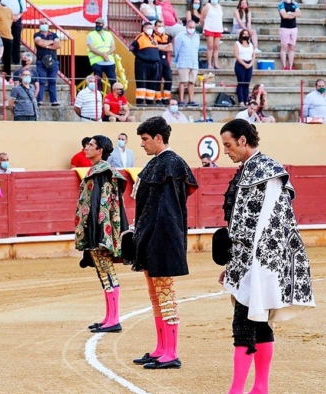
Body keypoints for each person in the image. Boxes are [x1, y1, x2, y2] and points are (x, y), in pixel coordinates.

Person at [216, 119, 314, 394]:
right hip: (245, 261)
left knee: (244, 325)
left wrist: (256, 269)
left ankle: (237, 390)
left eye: (228, 144)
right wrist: (232, 263)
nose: (226, 151)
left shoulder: (268, 172)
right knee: (258, 324)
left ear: (243, 141)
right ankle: (260, 388)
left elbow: (271, 226)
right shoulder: (249, 170)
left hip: (259, 262)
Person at [131, 116, 198, 370]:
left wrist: (157, 240)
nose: (142, 144)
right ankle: (161, 348)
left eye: (145, 139)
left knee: (166, 296)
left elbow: (168, 211)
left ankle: (172, 352)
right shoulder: (159, 163)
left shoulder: (171, 163)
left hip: (161, 239)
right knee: (156, 297)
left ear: (159, 138)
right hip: (151, 238)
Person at [75, 135, 129, 334]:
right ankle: (109, 317)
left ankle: (114, 318)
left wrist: (99, 233)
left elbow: (102, 204)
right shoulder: (100, 171)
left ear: (100, 150)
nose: (87, 147)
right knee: (102, 271)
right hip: (99, 228)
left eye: (91, 145)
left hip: (100, 229)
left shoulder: (102, 172)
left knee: (107, 271)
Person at [130, 22, 160, 106]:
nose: (150, 30)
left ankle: (149, 101)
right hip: (142, 64)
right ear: (144, 29)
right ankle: (140, 102)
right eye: (148, 28)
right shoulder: (140, 37)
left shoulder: (153, 37)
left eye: (151, 28)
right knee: (142, 82)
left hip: (154, 64)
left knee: (152, 83)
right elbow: (131, 48)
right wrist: (140, 56)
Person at [173, 20, 200, 107]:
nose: (191, 29)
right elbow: (176, 49)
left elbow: (196, 49)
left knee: (192, 82)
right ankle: (181, 100)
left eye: (193, 27)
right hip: (183, 62)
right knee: (183, 81)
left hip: (194, 62)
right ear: (186, 27)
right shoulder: (180, 36)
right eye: (190, 27)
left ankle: (191, 100)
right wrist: (178, 60)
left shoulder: (197, 36)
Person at [34, 23, 60, 106]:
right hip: (41, 61)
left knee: (52, 81)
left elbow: (58, 45)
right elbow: (39, 43)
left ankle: (54, 101)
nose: (44, 24)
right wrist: (52, 42)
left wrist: (46, 45)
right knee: (41, 81)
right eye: (42, 23)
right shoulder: (37, 34)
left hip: (53, 61)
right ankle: (39, 101)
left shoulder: (54, 34)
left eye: (45, 23)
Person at [87, 18, 116, 91]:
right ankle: (98, 99)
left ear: (103, 25)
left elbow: (113, 47)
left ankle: (113, 99)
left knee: (113, 81)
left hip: (109, 62)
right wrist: (103, 55)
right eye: (96, 23)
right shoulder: (91, 34)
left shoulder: (109, 34)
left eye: (99, 24)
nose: (97, 25)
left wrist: (106, 54)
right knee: (97, 82)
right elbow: (92, 48)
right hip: (97, 62)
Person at [153, 20, 173, 105]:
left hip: (165, 60)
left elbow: (170, 48)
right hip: (157, 59)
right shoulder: (152, 36)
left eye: (162, 26)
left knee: (169, 78)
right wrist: (165, 46)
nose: (161, 27)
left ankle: (166, 98)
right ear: (155, 27)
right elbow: (154, 47)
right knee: (158, 79)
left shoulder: (166, 37)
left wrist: (160, 46)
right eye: (159, 26)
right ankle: (158, 99)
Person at [234, 29, 255, 106]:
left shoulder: (251, 44)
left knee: (247, 83)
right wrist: (244, 64)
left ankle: (246, 101)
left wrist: (250, 64)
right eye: (244, 34)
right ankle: (241, 101)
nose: (246, 35)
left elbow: (253, 55)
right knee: (241, 83)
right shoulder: (237, 43)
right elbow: (236, 55)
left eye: (247, 34)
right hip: (240, 64)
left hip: (249, 64)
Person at [200, 0, 223, 70]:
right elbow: (201, 18)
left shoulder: (220, 7)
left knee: (216, 47)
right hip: (209, 29)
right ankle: (209, 64)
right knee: (210, 47)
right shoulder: (207, 6)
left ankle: (215, 63)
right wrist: (204, 27)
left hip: (218, 29)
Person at [278, 0, 300, 70]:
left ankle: (290, 66)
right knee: (284, 47)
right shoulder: (281, 4)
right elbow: (284, 15)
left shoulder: (294, 3)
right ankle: (284, 66)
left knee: (292, 47)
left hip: (293, 28)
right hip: (285, 28)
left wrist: (289, 14)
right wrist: (294, 14)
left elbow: (299, 13)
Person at [7, 0, 25, 66]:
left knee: (16, 40)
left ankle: (16, 61)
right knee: (6, 40)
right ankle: (6, 60)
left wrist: (17, 17)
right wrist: (11, 17)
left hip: (17, 18)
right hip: (5, 18)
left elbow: (23, 8)